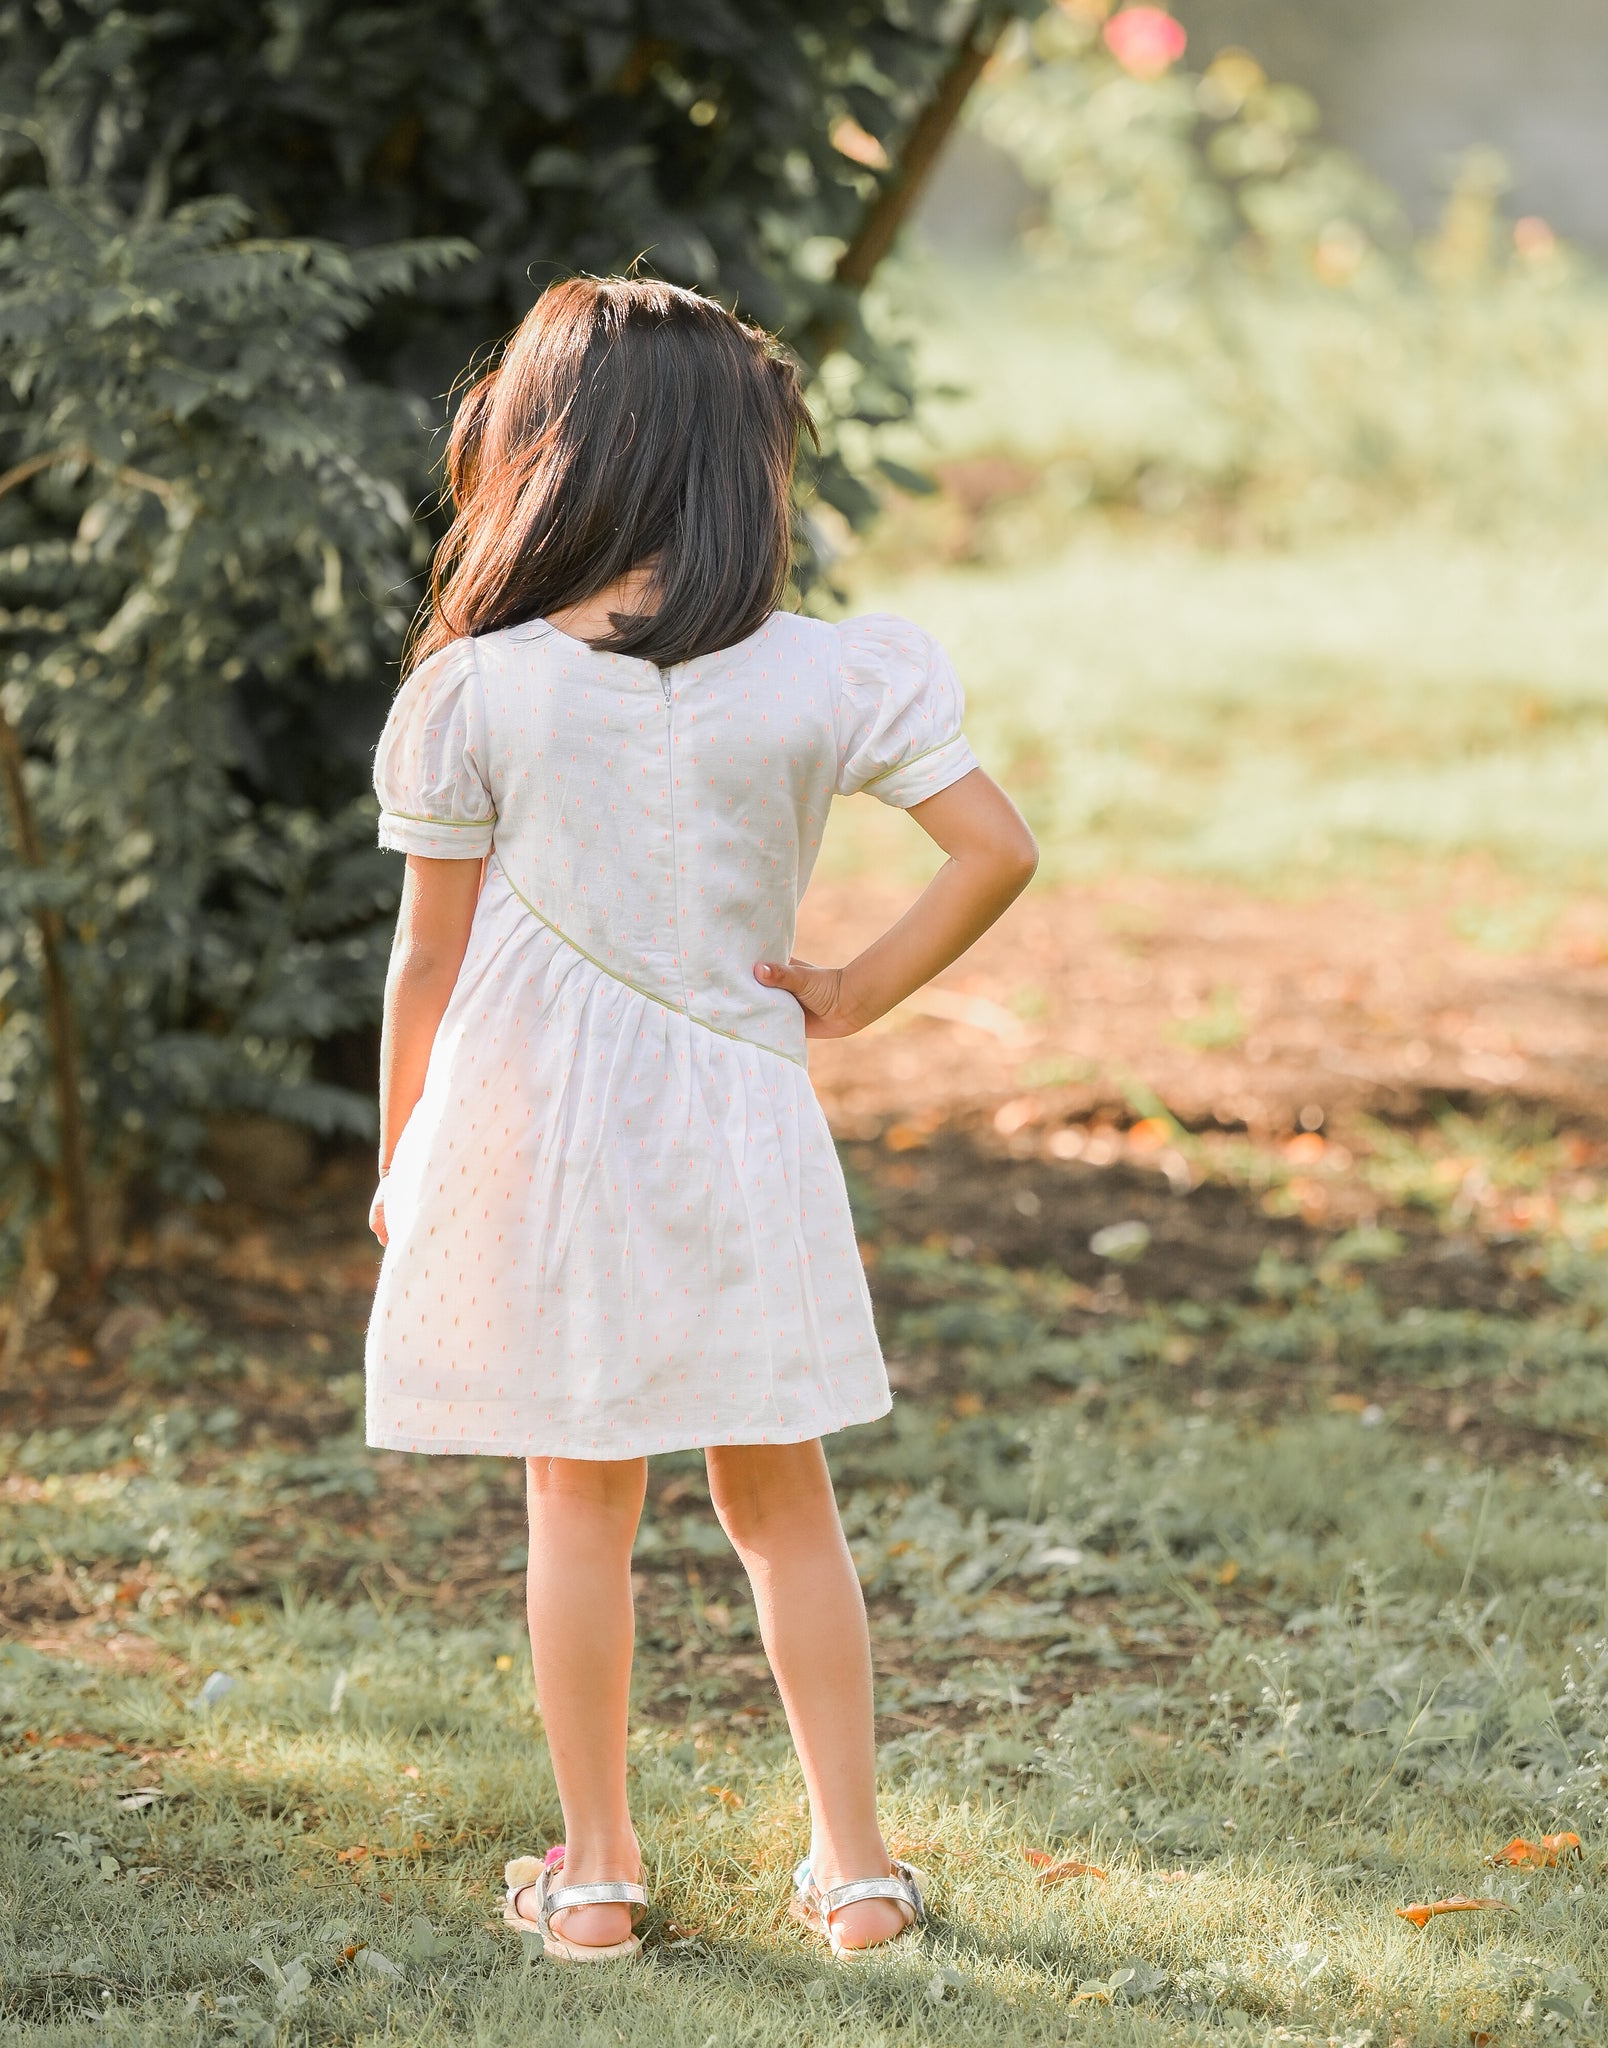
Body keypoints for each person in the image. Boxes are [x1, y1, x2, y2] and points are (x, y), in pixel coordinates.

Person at [364, 276, 1037, 1963]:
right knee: (780, 1499)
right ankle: (860, 1872)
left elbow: (425, 963)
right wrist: (856, 988)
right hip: (739, 1116)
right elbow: (998, 848)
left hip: (538, 1130)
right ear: (745, 461)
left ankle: (594, 1878)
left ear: (549, 452)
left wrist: (403, 1162)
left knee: (577, 1500)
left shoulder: (480, 688)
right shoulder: (821, 675)